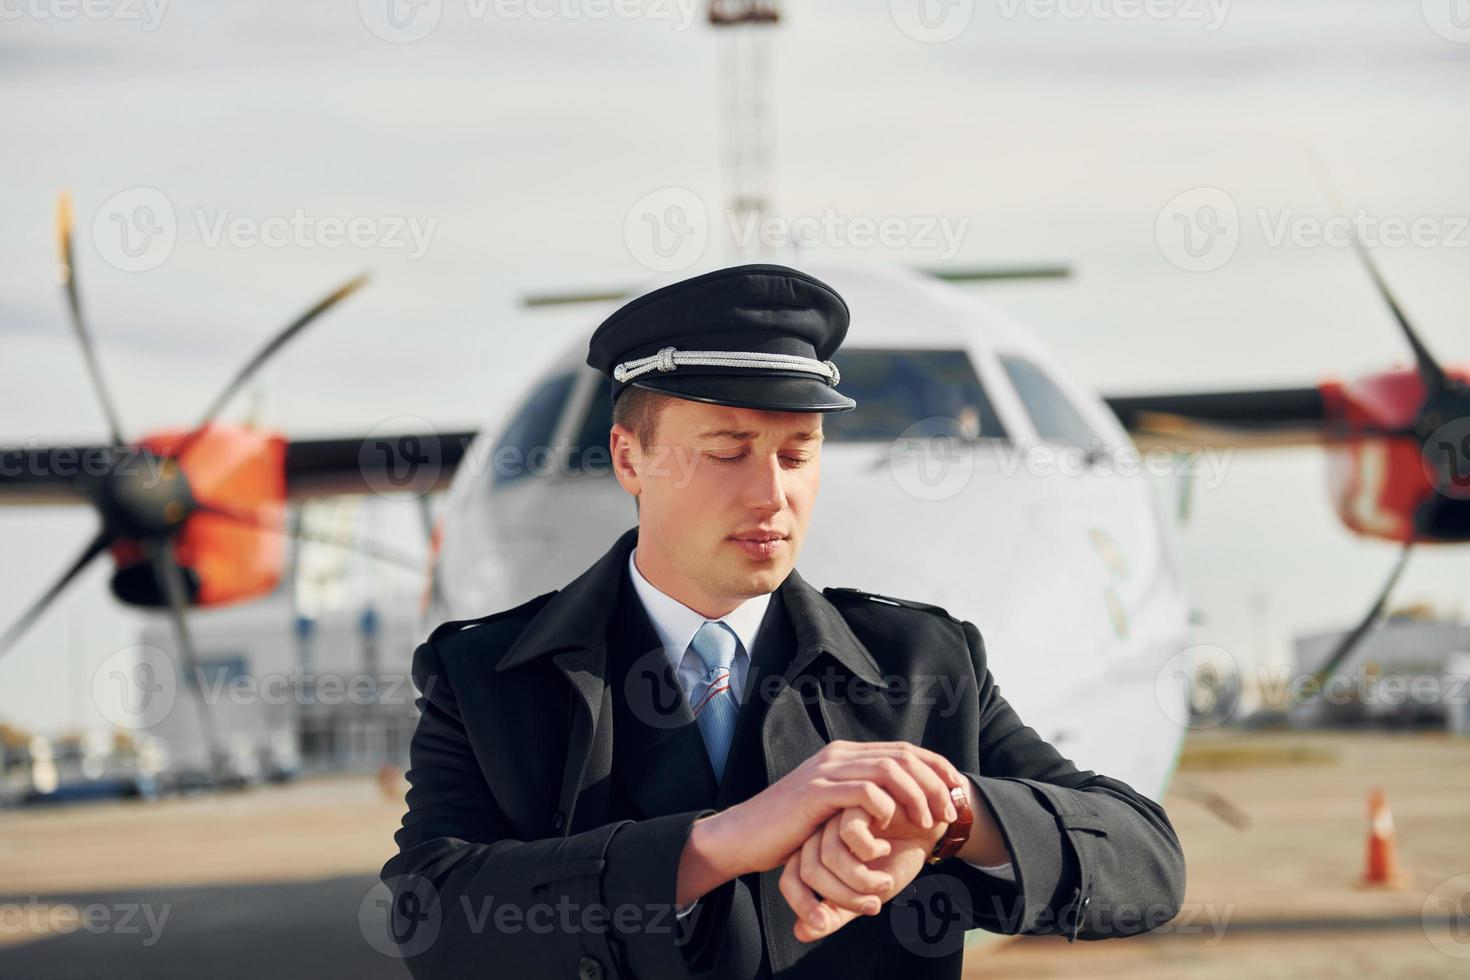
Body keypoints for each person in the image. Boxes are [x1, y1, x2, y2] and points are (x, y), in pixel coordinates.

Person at [380, 264, 1185, 979]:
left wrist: (949, 818)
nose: (772, 496)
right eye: (727, 451)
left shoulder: (925, 664)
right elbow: (433, 919)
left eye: (798, 454)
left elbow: (1144, 863)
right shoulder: (488, 676)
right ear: (630, 458)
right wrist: (714, 845)